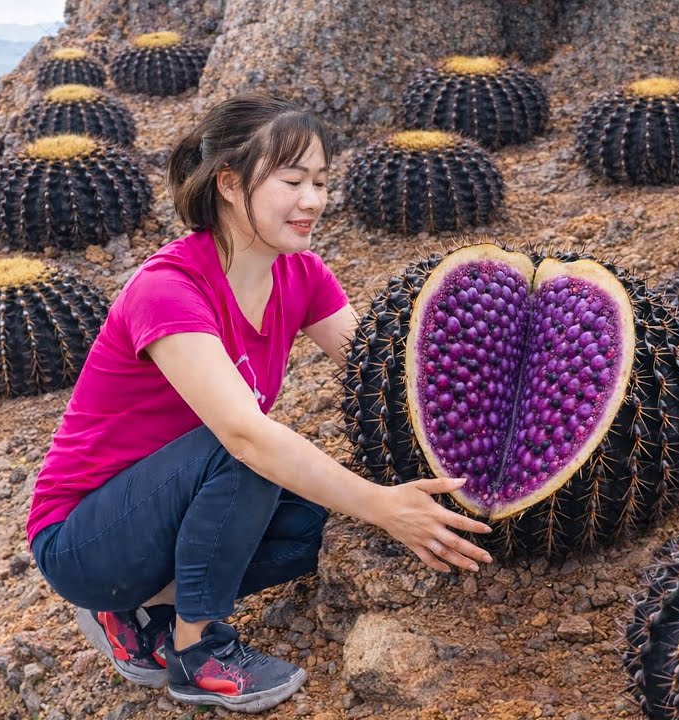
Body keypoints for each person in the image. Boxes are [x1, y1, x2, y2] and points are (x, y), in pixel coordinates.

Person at [27, 93, 492, 713]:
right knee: (247, 450)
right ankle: (197, 650)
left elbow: (377, 373)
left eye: (321, 181)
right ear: (227, 183)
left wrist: (491, 406)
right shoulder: (168, 290)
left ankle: (146, 610)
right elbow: (246, 437)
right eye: (292, 180)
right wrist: (385, 506)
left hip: (174, 504)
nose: (313, 201)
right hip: (84, 537)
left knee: (311, 525)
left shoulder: (300, 274)